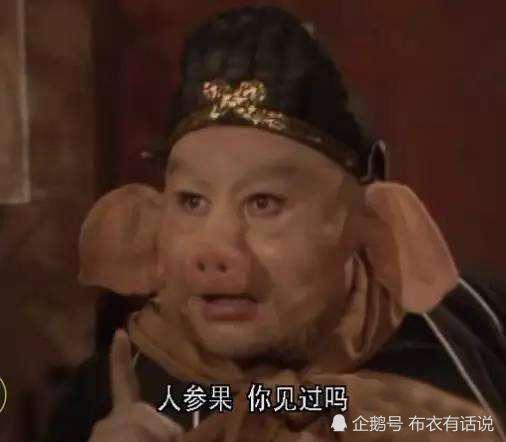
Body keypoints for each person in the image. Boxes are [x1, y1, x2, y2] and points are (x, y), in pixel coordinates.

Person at [44, 6, 506, 442]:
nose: (213, 249)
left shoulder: (476, 329)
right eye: (192, 201)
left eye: (263, 203)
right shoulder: (107, 400)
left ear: (371, 224)